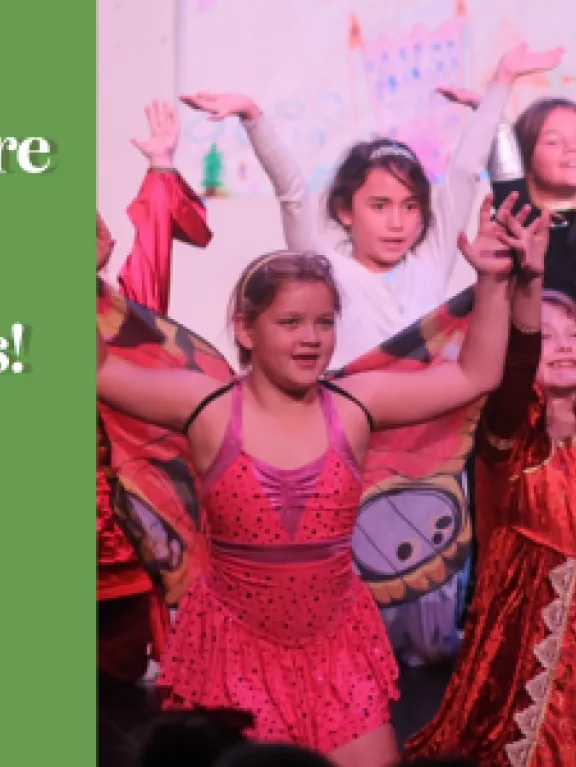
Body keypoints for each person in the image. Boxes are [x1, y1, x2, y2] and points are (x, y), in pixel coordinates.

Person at [97, 194, 526, 767]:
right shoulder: (209, 408)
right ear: (246, 329)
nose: (311, 338)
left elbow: (477, 374)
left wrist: (493, 280)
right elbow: (96, 368)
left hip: (335, 649)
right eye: (291, 322)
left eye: (324, 322)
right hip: (233, 649)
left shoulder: (354, 406)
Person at [181, 42, 562, 668]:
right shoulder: (326, 268)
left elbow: (464, 172)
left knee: (430, 626)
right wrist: (253, 116)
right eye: (379, 206)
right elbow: (292, 192)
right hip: (352, 451)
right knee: (357, 602)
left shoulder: (432, 261)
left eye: (410, 207)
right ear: (344, 210)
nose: (397, 222)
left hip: (427, 451)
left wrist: (501, 80)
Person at [403, 228, 576, 765]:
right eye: (548, 334)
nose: (564, 344)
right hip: (524, 653)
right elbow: (519, 363)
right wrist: (530, 278)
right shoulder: (512, 436)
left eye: (574, 333)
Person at [98, 100, 212, 683]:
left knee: (116, 679)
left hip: (116, 537)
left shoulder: (121, 323)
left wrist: (161, 166)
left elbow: (152, 254)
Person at [439, 88, 576, 302]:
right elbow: (510, 184)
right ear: (525, 155)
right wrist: (493, 116)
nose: (571, 148)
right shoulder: (518, 219)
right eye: (553, 141)